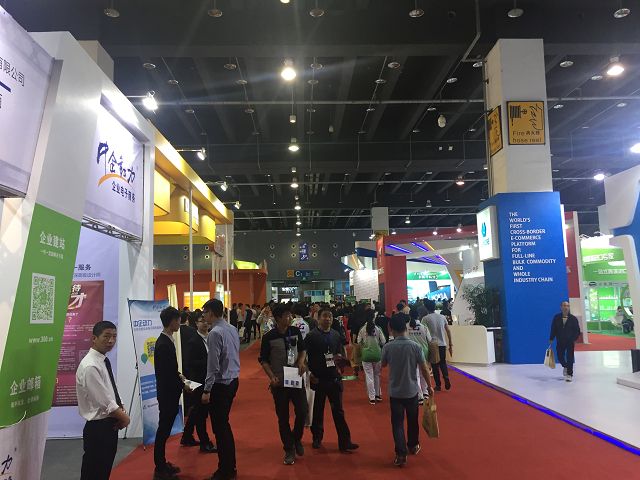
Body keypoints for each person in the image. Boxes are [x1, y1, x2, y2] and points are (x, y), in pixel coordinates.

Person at [76, 321, 130, 480]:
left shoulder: (101, 360)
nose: (111, 340)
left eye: (114, 336)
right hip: (99, 428)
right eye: (106, 336)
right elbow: (104, 401)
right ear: (94, 338)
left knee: (102, 470)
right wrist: (124, 418)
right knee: (95, 471)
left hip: (108, 424)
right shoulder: (90, 366)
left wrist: (121, 407)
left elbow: (110, 390)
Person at [382, 314, 434, 467]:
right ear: (405, 328)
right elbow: (424, 368)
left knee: (397, 423)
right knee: (412, 420)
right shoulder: (415, 346)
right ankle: (413, 445)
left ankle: (401, 453)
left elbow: (383, 364)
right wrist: (429, 386)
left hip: (395, 392)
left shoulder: (388, 347)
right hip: (412, 391)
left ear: (391, 329)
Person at [259, 305, 308, 465]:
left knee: (302, 411)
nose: (290, 318)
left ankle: (296, 438)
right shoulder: (269, 337)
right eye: (287, 315)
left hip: (295, 377)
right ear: (278, 318)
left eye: (290, 315)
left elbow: (303, 350)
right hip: (279, 381)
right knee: (283, 417)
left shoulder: (295, 332)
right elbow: (264, 360)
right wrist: (271, 376)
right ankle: (289, 449)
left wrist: (301, 362)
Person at [305, 307, 359, 453]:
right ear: (318, 318)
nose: (327, 319)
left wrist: (342, 363)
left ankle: (345, 441)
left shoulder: (335, 334)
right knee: (318, 410)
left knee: (339, 411)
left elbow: (340, 351)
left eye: (329, 316)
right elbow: (304, 356)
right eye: (324, 316)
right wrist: (309, 373)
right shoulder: (311, 336)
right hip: (318, 379)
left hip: (334, 378)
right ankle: (317, 438)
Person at [202, 299, 241, 480]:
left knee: (220, 428)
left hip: (220, 385)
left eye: (205, 312)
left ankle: (225, 469)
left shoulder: (215, 333)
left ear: (211, 312)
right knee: (223, 425)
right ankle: (229, 466)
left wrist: (207, 390)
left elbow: (213, 365)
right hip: (232, 381)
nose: (203, 316)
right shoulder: (231, 328)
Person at [154, 307, 190, 480]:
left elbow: (170, 369)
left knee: (165, 430)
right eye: (178, 320)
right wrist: (183, 385)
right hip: (167, 394)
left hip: (170, 393)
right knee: (163, 431)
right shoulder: (163, 344)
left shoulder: (167, 340)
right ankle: (160, 467)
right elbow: (165, 375)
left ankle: (162, 463)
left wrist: (179, 376)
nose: (179, 323)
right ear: (172, 321)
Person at [183, 312, 217, 453]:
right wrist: (209, 360)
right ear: (196, 323)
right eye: (201, 321)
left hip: (211, 379)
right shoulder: (193, 341)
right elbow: (189, 363)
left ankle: (186, 436)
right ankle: (204, 442)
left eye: (206, 320)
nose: (205, 323)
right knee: (201, 413)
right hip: (198, 381)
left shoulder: (212, 337)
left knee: (197, 410)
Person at [356, 310, 386, 404]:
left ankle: (372, 397)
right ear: (374, 317)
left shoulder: (362, 329)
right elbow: (383, 341)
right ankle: (377, 395)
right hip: (377, 355)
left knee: (369, 376)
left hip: (366, 356)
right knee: (377, 375)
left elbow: (358, 341)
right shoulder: (378, 328)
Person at [422, 299, 453, 391]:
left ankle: (438, 385)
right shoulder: (442, 317)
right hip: (442, 343)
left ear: (426, 308)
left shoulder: (425, 319)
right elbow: (448, 330)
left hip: (432, 344)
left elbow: (423, 332)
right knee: (443, 362)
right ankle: (446, 377)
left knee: (434, 365)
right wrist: (450, 343)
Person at [179, 311, 198, 446]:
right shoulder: (192, 332)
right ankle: (189, 407)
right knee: (190, 388)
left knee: (184, 387)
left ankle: (185, 408)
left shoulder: (175, 332)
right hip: (190, 366)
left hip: (180, 364)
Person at [549, 301, 581, 382]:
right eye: (564, 305)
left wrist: (574, 339)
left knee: (570, 357)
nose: (566, 307)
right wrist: (551, 338)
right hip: (560, 340)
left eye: (567, 306)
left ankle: (569, 374)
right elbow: (553, 328)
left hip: (570, 341)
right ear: (561, 307)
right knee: (560, 356)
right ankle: (565, 366)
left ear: (569, 307)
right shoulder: (556, 317)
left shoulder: (573, 319)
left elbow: (577, 330)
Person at [407, 308, 432, 404]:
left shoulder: (406, 327)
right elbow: (429, 340)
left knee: (415, 375)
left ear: (409, 316)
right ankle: (425, 393)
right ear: (418, 316)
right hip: (423, 352)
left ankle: (419, 395)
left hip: (411, 353)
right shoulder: (423, 327)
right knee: (424, 372)